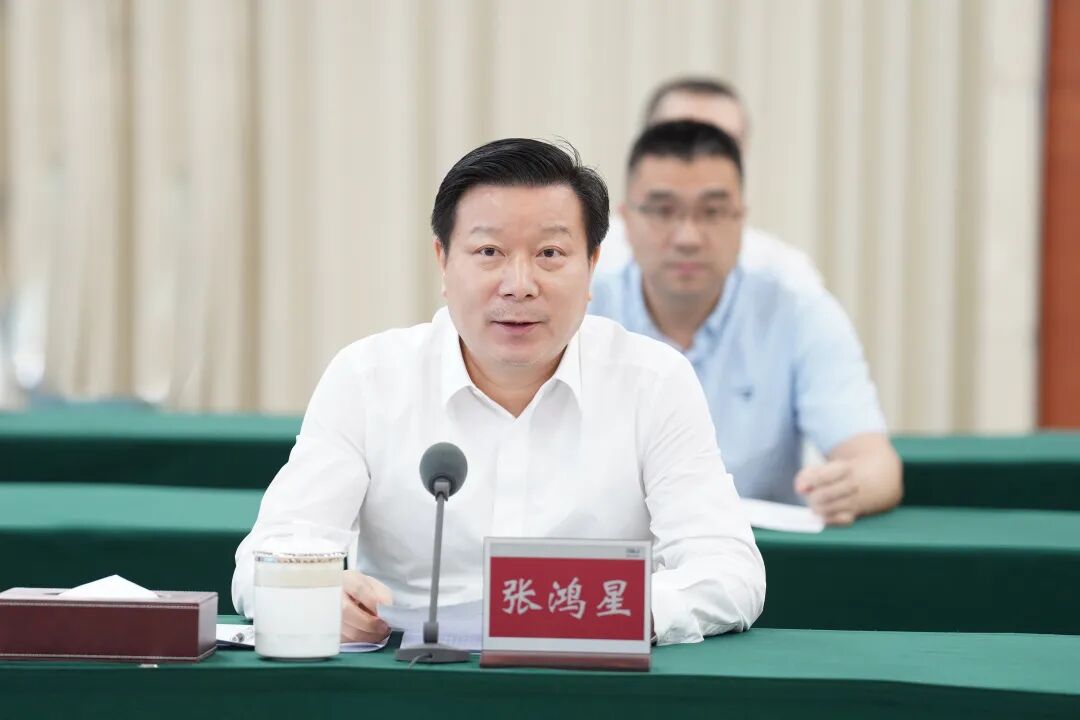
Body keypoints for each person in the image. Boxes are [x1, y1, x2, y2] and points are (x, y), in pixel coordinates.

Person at [232, 137, 765, 646]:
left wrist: (612, 611)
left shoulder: (654, 382)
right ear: (443, 262)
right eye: (489, 251)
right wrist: (313, 596)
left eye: (550, 253)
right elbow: (266, 559)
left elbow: (729, 570)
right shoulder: (367, 379)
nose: (519, 284)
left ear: (591, 266)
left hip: (588, 678)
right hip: (409, 678)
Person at [589, 121, 902, 524]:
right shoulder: (583, 309)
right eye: (664, 211)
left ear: (741, 219)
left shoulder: (798, 313)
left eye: (713, 212)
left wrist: (849, 486)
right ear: (625, 221)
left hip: (766, 552)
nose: (688, 237)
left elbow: (876, 463)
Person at [596, 77, 820, 290]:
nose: (698, 154)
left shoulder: (789, 278)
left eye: (721, 144)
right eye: (678, 139)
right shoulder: (589, 266)